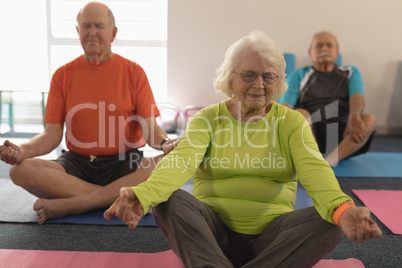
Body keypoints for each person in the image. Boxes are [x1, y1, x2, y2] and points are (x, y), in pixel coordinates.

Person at [104, 30, 382, 268]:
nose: (259, 85)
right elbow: (180, 162)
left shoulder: (292, 122)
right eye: (249, 75)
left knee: (330, 219)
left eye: (269, 76)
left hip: (272, 240)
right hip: (210, 235)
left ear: (278, 82)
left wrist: (343, 209)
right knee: (168, 200)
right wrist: (144, 195)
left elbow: (315, 171)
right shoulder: (207, 119)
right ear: (230, 78)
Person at [0, 2, 179, 224]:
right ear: (78, 32)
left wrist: (165, 145)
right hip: (76, 164)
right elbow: (51, 135)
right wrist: (21, 150)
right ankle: (118, 196)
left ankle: (76, 204)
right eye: (85, 26)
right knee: (20, 170)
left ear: (113, 33)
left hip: (125, 162)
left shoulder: (134, 72)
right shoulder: (62, 75)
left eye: (99, 26)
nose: (92, 32)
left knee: (169, 162)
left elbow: (150, 128)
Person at [279, 31, 376, 167]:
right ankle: (314, 157)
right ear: (310, 53)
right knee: (299, 113)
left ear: (337, 52)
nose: (324, 49)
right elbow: (285, 105)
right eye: (319, 46)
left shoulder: (351, 72)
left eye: (329, 45)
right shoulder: (299, 75)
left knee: (369, 119)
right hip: (309, 134)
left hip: (344, 134)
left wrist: (354, 116)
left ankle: (328, 162)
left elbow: (357, 97)